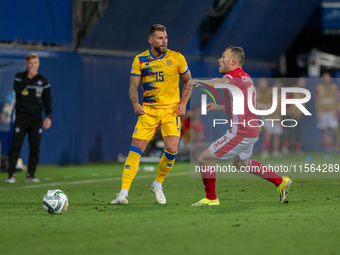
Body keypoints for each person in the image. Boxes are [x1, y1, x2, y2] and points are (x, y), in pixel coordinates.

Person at [189, 46, 292, 206]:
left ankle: (211, 198)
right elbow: (242, 106)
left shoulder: (234, 76)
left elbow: (220, 82)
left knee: (204, 159)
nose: (219, 60)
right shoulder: (247, 78)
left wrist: (202, 82)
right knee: (240, 163)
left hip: (240, 133)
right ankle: (281, 181)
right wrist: (219, 107)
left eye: (223, 57)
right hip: (251, 131)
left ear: (233, 61)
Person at [111, 24, 192, 205]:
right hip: (149, 111)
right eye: (160, 38)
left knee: (172, 149)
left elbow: (188, 82)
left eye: (165, 37)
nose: (164, 41)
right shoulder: (140, 60)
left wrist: (183, 103)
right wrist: (135, 103)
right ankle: (123, 193)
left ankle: (157, 184)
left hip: (171, 111)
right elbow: (133, 86)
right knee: (135, 149)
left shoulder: (177, 58)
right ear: (151, 40)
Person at [5, 53, 52, 183]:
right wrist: (28, 78)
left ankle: (30, 174)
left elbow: (47, 99)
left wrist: (48, 116)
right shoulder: (20, 77)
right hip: (21, 116)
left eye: (35, 63)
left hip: (36, 117)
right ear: (26, 64)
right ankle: (11, 175)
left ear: (39, 64)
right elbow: (17, 90)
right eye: (30, 63)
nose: (33, 66)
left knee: (35, 147)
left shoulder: (43, 80)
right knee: (16, 146)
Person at [315, 73, 339, 152]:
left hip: (331, 112)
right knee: (324, 130)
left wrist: (335, 111)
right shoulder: (319, 88)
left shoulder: (334, 87)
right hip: (322, 112)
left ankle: (336, 146)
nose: (326, 79)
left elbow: (336, 100)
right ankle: (327, 147)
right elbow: (316, 101)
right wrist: (318, 113)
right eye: (325, 78)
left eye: (328, 78)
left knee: (334, 129)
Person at [255, 77, 272, 159]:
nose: (263, 84)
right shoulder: (255, 90)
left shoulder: (270, 92)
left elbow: (270, 105)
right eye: (261, 82)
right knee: (249, 134)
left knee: (267, 133)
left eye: (264, 82)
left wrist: (261, 106)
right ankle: (244, 153)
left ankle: (265, 151)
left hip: (267, 115)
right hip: (255, 116)